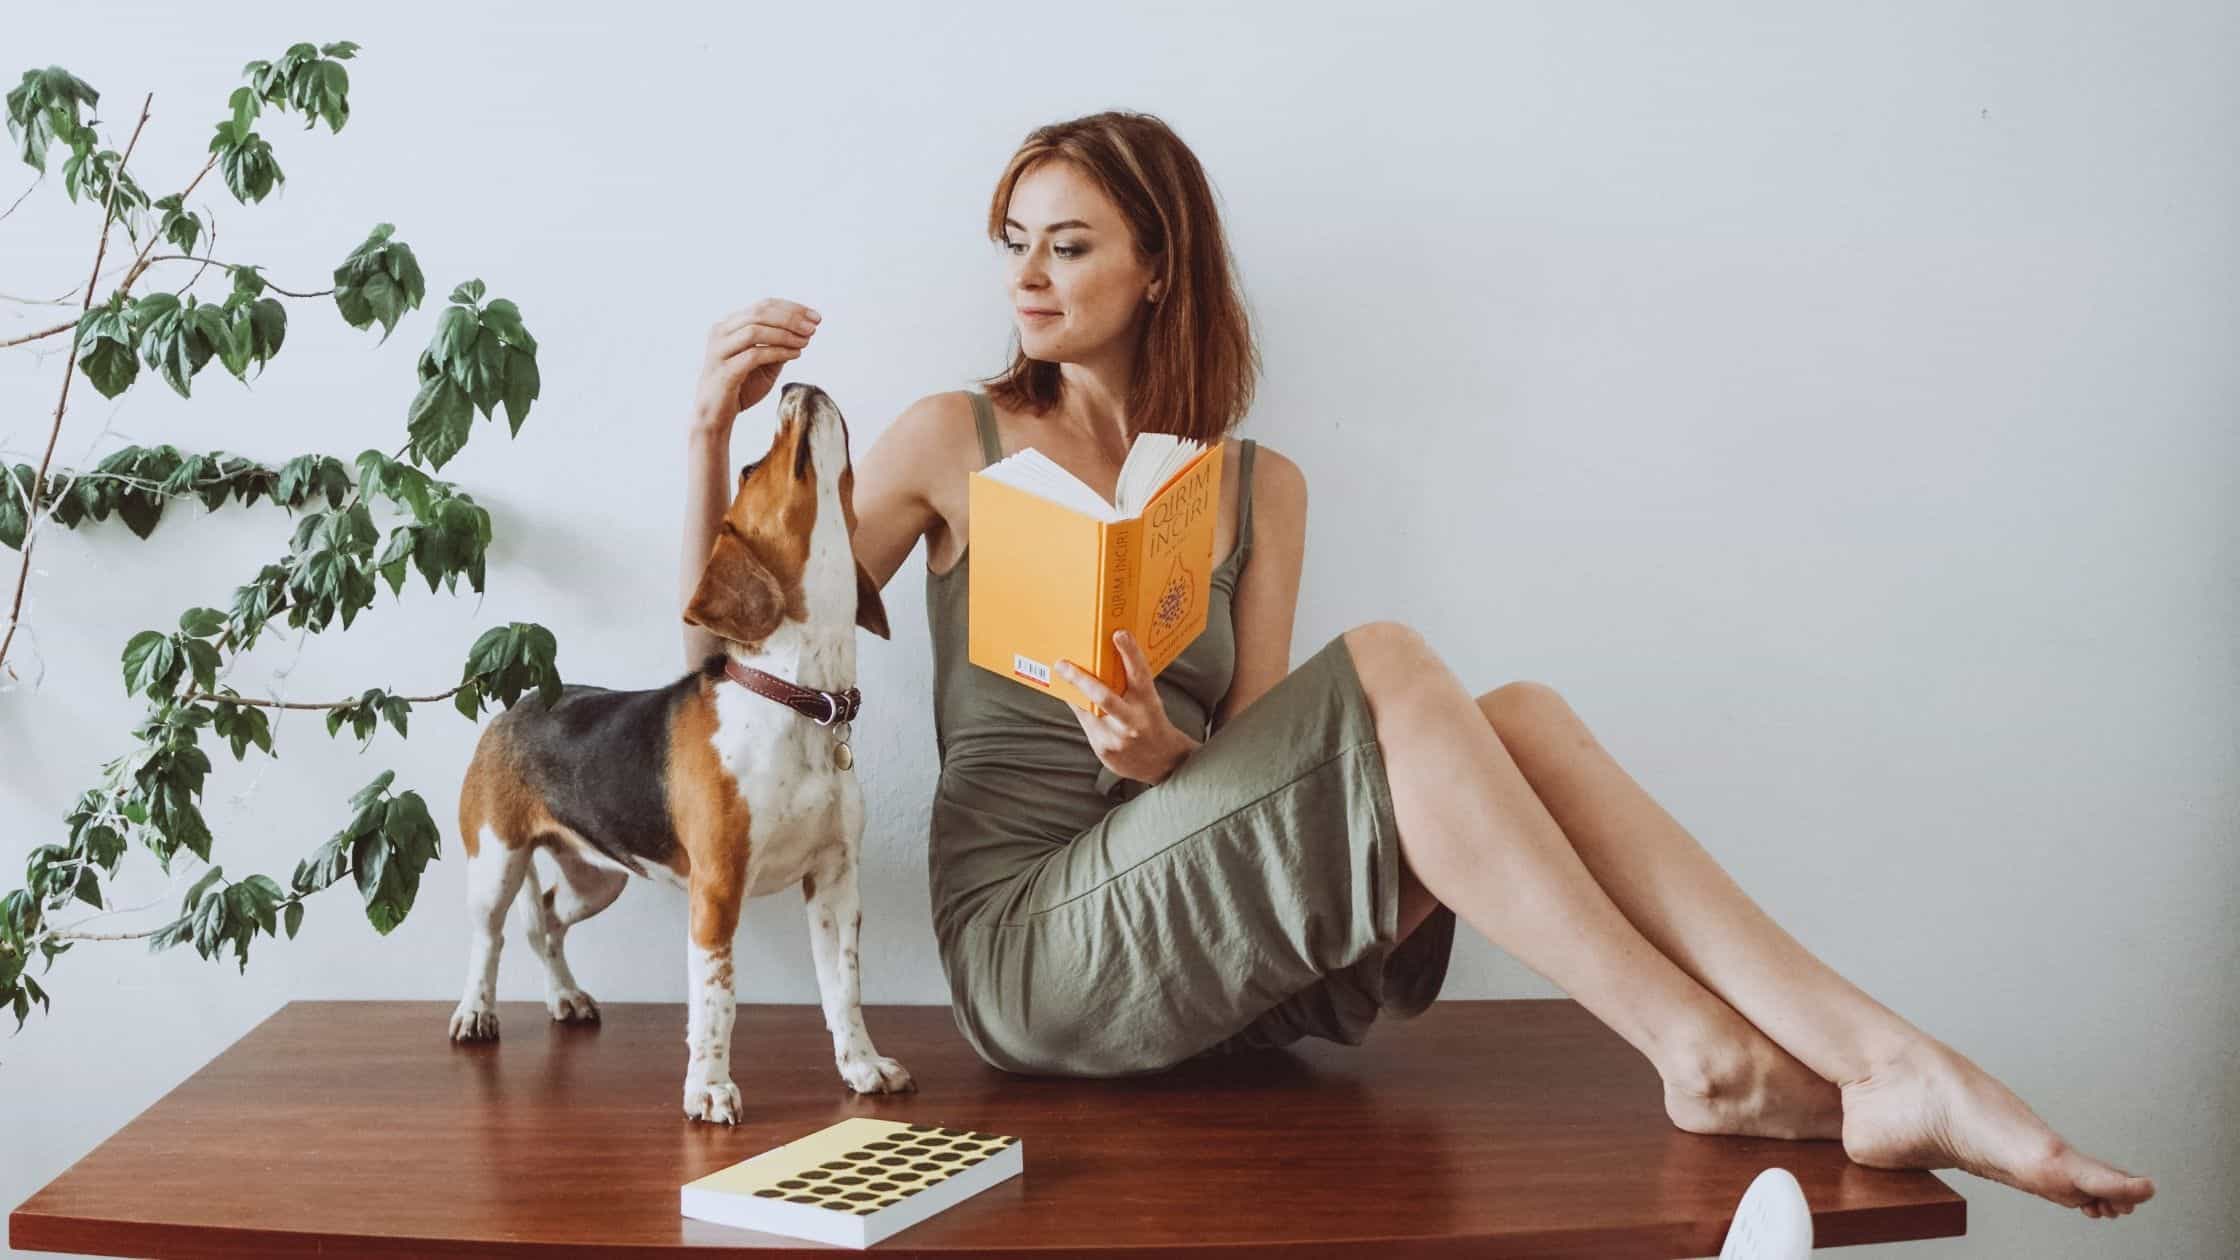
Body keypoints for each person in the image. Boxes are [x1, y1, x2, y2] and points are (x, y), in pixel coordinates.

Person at [680, 110, 2155, 1222]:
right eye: (1014, 241)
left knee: (1525, 718)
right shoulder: (954, 439)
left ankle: (1882, 1058)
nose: (1030, 277)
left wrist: (1160, 761)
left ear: (1156, 266)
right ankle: (1713, 1053)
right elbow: (716, 658)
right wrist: (708, 431)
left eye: (1068, 243)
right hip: (1031, 957)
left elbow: (1260, 774)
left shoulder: (1257, 489)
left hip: (1199, 947)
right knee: (1389, 660)